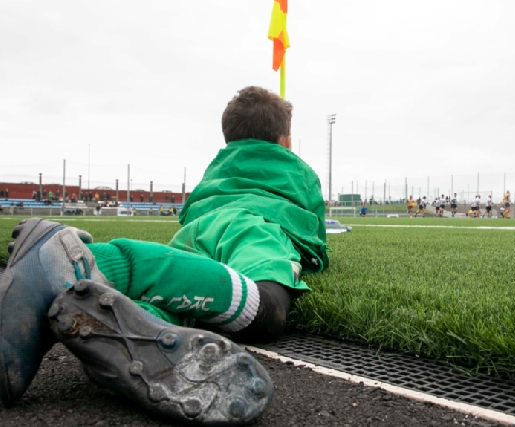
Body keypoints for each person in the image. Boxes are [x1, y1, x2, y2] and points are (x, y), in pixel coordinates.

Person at [0, 86, 329, 425]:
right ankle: (78, 259)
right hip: (255, 227)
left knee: (174, 307)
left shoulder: (219, 171)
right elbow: (312, 226)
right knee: (267, 308)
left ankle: (124, 333)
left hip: (197, 229)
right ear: (285, 142)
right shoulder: (294, 172)